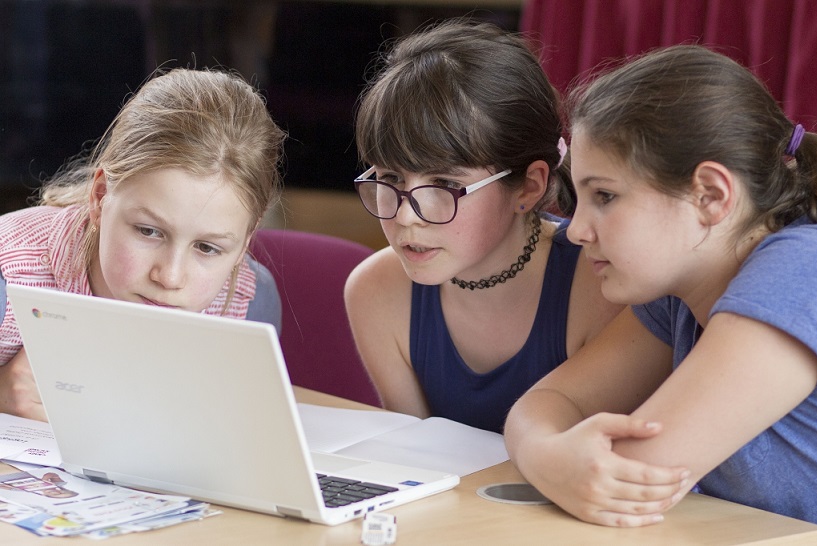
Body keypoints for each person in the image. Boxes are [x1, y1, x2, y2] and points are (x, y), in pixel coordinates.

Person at [504, 44, 817, 526]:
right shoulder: (678, 293)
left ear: (710, 196)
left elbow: (630, 477)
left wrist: (548, 453)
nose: (575, 229)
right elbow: (546, 405)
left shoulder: (801, 270)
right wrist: (546, 453)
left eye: (604, 196)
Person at [344, 20, 623, 433]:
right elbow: (412, 459)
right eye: (390, 179)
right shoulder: (375, 290)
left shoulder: (601, 287)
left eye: (446, 184)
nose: (406, 215)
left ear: (528, 186)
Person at [0, 68, 286, 421]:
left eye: (207, 249)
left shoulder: (251, 308)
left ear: (245, 242)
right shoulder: (7, 282)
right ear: (100, 196)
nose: (170, 276)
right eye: (149, 231)